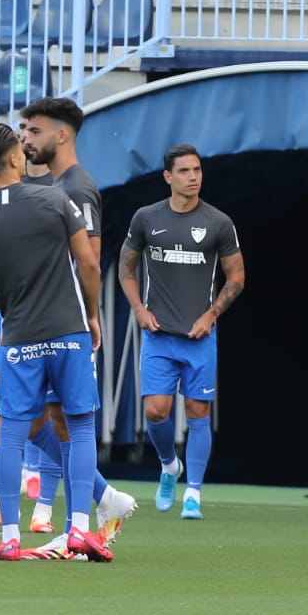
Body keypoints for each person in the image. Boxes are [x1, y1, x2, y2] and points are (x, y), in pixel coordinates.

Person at [0, 123, 111, 563]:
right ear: (12, 159)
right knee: (78, 426)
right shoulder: (55, 200)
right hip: (67, 328)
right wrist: (94, 315)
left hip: (18, 334)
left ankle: (9, 535)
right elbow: (89, 264)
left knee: (12, 433)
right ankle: (79, 530)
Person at [9, 98, 135, 543]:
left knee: (65, 422)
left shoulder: (77, 188)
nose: (26, 138)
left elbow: (90, 259)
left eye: (35, 130)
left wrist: (91, 316)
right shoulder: (58, 184)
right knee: (37, 419)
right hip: (45, 318)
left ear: (62, 135)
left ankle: (77, 526)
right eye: (24, 130)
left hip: (65, 323)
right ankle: (103, 501)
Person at [120, 143, 246, 521]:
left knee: (196, 410)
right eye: (185, 171)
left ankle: (193, 493)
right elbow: (127, 269)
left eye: (197, 170)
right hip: (158, 335)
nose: (193, 177)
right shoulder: (146, 218)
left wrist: (211, 315)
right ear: (168, 177)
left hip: (198, 337)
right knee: (155, 412)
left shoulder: (218, 222)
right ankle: (169, 466)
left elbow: (237, 277)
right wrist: (139, 310)